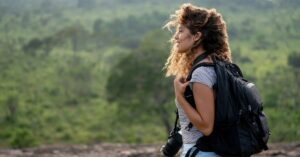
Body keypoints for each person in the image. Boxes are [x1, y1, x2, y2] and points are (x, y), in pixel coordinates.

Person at [163, 3, 232, 157]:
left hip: (202, 152)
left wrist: (180, 97)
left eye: (180, 31)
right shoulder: (218, 66)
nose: (175, 37)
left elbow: (206, 127)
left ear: (196, 36)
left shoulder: (201, 73)